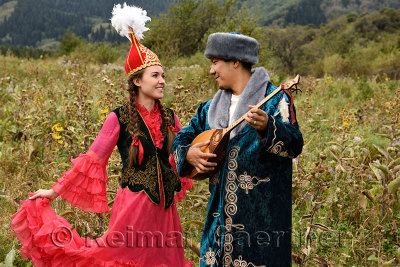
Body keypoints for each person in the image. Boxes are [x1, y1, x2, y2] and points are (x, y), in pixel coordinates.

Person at [10, 4, 193, 267]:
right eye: (155, 75)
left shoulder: (170, 117)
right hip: (133, 208)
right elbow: (92, 160)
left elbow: (183, 155)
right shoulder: (117, 118)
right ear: (138, 81)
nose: (162, 80)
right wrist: (54, 191)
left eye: (163, 75)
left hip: (165, 212)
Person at [172, 32, 304, 266]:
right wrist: (189, 154)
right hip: (217, 230)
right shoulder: (209, 109)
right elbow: (182, 138)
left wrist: (268, 127)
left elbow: (295, 144)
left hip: (263, 227)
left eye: (215, 63)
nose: (211, 71)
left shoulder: (276, 101)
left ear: (235, 61)